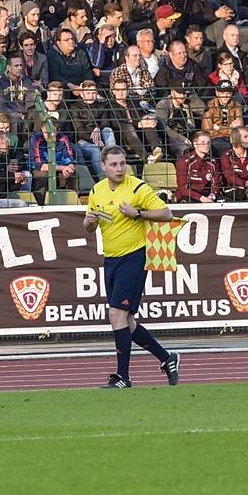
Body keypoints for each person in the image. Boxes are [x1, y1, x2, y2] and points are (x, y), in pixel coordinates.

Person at [83, 146, 179, 388]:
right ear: (103, 166)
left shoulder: (137, 188)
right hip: (110, 259)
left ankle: (123, 377)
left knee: (116, 314)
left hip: (133, 257)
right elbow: (90, 225)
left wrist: (137, 213)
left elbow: (166, 214)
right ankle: (167, 358)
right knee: (127, 321)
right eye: (113, 164)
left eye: (122, 164)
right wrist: (89, 222)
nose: (119, 169)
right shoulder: (96, 191)